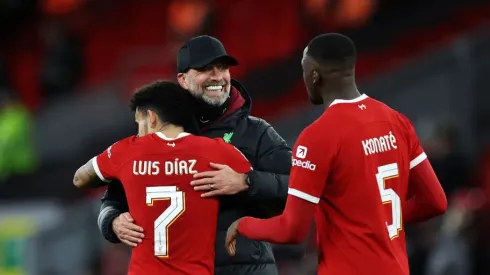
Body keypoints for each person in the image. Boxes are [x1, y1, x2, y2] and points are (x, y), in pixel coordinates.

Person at [226, 33, 448, 275]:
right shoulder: (396, 122)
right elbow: (435, 201)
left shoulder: (318, 136)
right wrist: (382, 222)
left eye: (304, 69)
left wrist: (243, 225)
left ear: (314, 74)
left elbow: (292, 229)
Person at [98, 36, 291, 275]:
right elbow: (112, 200)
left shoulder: (256, 132)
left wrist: (246, 181)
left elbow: (300, 188)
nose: (217, 76)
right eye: (204, 69)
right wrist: (113, 222)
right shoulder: (153, 138)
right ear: (183, 80)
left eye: (222, 68)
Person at [73, 80, 252, 275]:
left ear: (151, 118)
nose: (139, 132)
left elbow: (80, 178)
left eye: (139, 123)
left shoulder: (126, 152)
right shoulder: (219, 151)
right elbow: (262, 187)